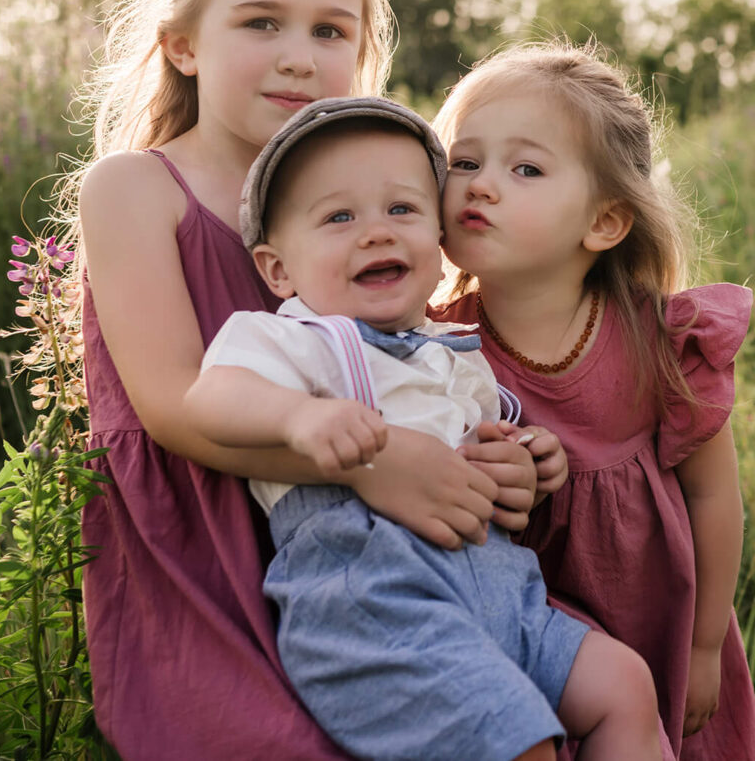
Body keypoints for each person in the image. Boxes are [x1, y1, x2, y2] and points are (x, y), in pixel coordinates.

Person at [70, 0, 546, 760]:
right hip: (204, 542)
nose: (299, 55)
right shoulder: (135, 189)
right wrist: (375, 463)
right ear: (182, 45)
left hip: (388, 559)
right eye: (261, 22)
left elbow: (419, 355)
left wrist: (488, 455)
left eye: (331, 30)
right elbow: (172, 405)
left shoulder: (377, 192)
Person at [183, 96, 660, 761]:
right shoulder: (298, 338)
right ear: (278, 269)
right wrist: (301, 416)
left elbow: (494, 469)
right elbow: (210, 398)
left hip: (504, 595)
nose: (376, 232)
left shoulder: (456, 350)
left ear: (440, 245)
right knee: (521, 742)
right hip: (376, 607)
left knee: (626, 685)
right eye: (339, 216)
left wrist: (526, 465)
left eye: (402, 209)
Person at [433, 41, 755, 761]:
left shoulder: (660, 338)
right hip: (525, 614)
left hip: (655, 609)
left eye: (524, 168)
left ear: (605, 222)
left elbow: (714, 496)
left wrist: (707, 641)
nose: (481, 185)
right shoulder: (435, 345)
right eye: (464, 161)